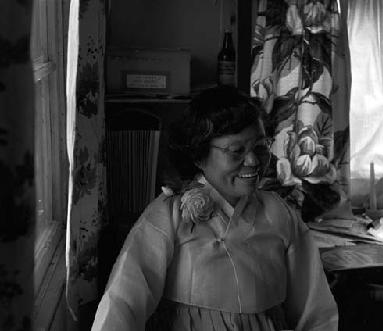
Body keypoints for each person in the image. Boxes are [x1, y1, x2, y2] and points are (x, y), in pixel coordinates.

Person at [91, 86, 339, 331]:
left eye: (260, 147)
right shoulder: (169, 215)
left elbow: (315, 308)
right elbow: (122, 303)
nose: (252, 161)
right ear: (199, 155)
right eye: (236, 151)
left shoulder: (279, 213)